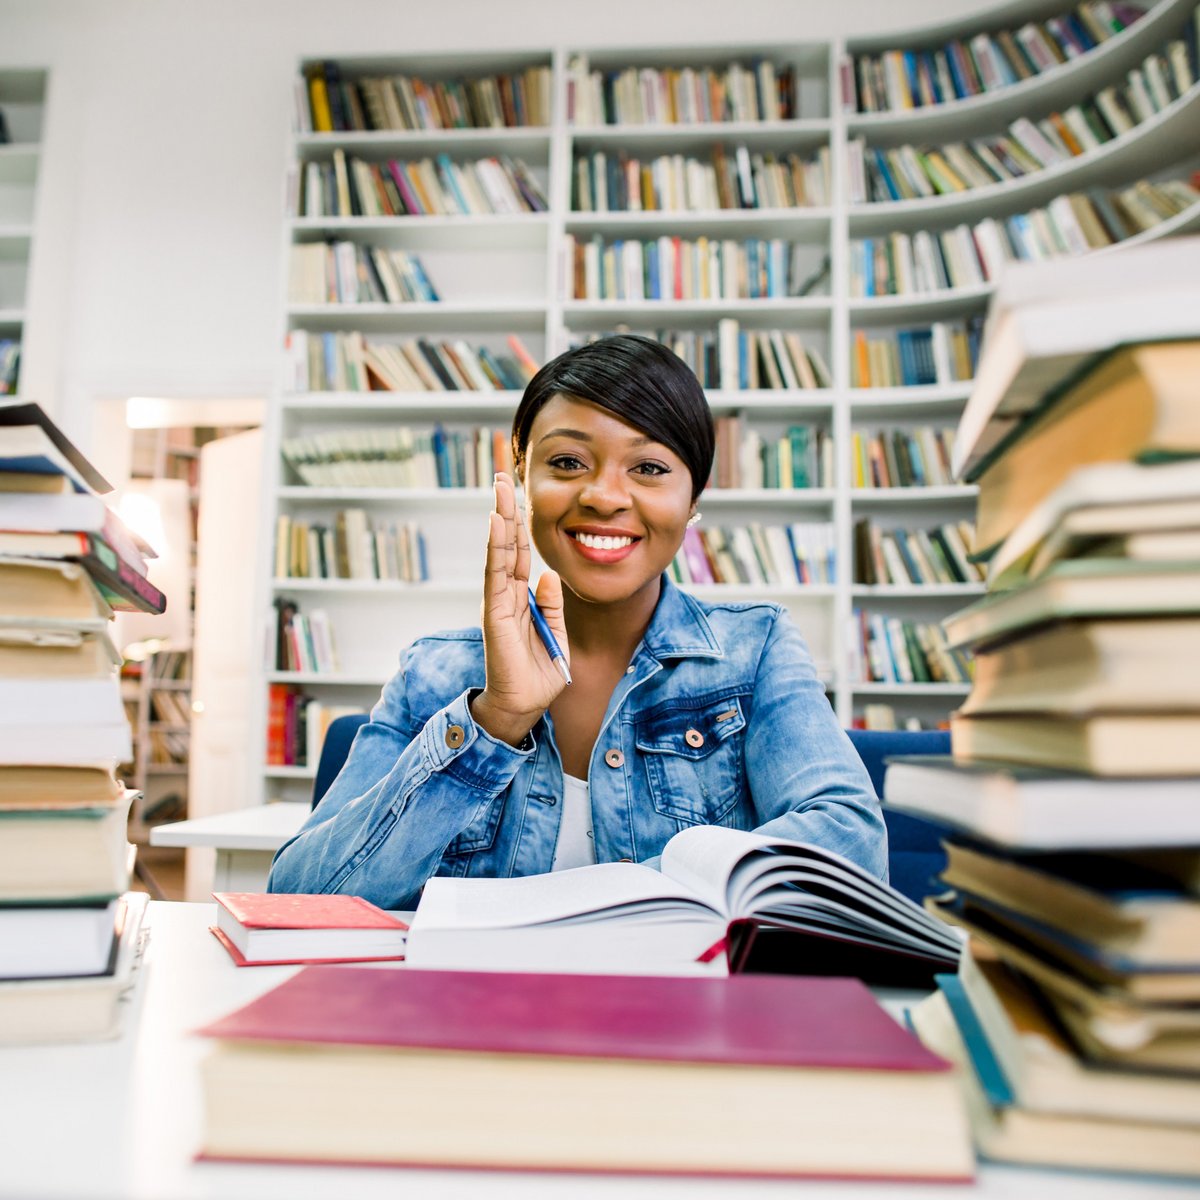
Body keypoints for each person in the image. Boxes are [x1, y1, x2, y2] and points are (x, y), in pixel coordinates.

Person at [268, 334, 886, 908]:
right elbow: (301, 897)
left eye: (648, 468)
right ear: (521, 480)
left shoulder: (754, 650)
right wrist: (495, 721)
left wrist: (636, 897)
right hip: (476, 1017)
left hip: (681, 1016)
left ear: (693, 499)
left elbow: (854, 850)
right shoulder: (434, 672)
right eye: (567, 462)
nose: (603, 496)